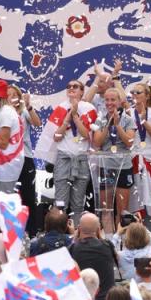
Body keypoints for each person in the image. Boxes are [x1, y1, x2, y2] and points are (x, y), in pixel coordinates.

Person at [51, 80, 97, 224]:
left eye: (75, 86)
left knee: (78, 203)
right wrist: (67, 118)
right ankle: (58, 234)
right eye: (68, 86)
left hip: (81, 159)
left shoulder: (89, 108)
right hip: (64, 158)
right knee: (60, 202)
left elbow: (86, 135)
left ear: (82, 91)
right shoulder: (60, 108)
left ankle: (77, 233)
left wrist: (75, 116)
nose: (71, 88)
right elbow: (56, 137)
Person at [91, 87, 135, 224]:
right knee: (106, 209)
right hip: (106, 166)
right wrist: (109, 124)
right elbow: (97, 142)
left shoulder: (128, 119)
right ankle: (109, 240)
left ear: (120, 102)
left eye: (113, 100)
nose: (109, 103)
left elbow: (129, 142)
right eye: (107, 100)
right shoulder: (100, 120)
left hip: (123, 166)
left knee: (123, 211)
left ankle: (120, 241)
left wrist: (117, 125)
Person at [127, 82, 151, 233]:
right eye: (133, 92)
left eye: (139, 92)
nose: (135, 95)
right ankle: (133, 235)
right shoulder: (128, 113)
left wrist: (144, 120)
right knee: (133, 201)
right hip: (133, 160)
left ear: (147, 96)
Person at [8, 84, 42, 235]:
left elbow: (37, 123)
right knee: (9, 197)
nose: (11, 98)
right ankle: (11, 231)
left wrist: (29, 107)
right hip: (7, 160)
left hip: (25, 157)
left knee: (28, 196)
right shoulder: (1, 113)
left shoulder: (24, 112)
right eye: (8, 95)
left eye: (14, 95)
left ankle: (32, 231)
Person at [69, 213, 116, 300]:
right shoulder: (108, 246)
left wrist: (73, 237)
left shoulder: (72, 249)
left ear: (78, 229)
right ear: (98, 230)